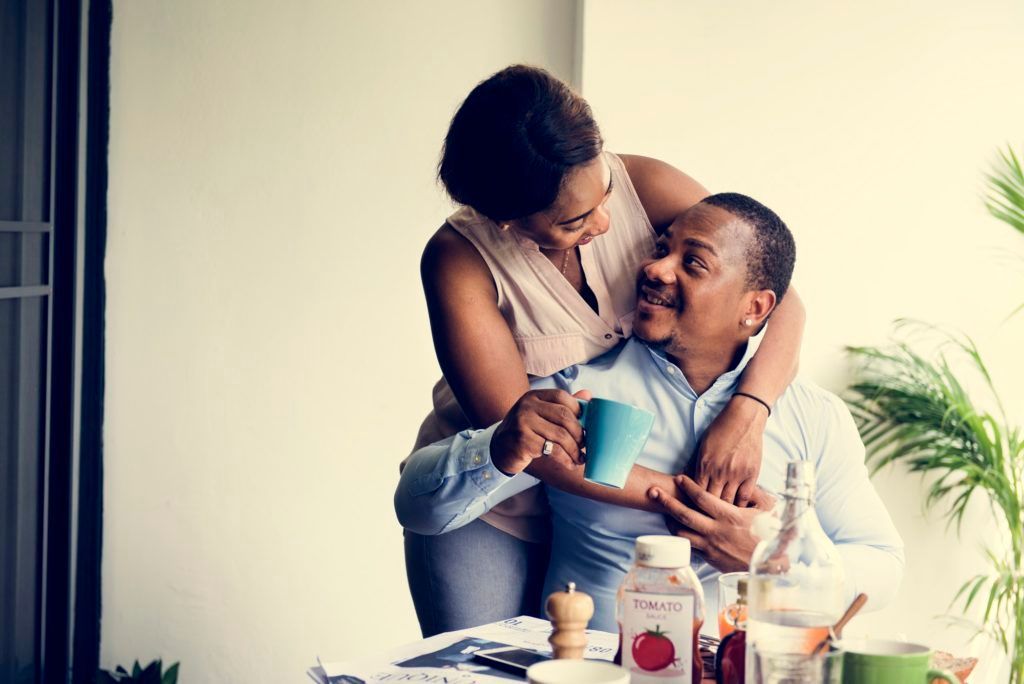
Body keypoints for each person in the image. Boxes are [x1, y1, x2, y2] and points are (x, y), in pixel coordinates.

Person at [405, 64, 806, 636]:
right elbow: (536, 444)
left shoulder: (647, 183)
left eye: (605, 193)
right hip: (498, 510)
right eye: (574, 221)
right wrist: (697, 506)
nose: (605, 221)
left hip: (609, 510)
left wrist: (748, 414)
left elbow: (776, 295)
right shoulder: (458, 260)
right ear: (507, 221)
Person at [396, 193, 904, 631]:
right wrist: (498, 448)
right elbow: (420, 509)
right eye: (662, 249)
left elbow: (883, 565)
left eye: (693, 263)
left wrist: (774, 558)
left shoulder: (814, 417)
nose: (655, 269)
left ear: (754, 309)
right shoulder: (579, 391)